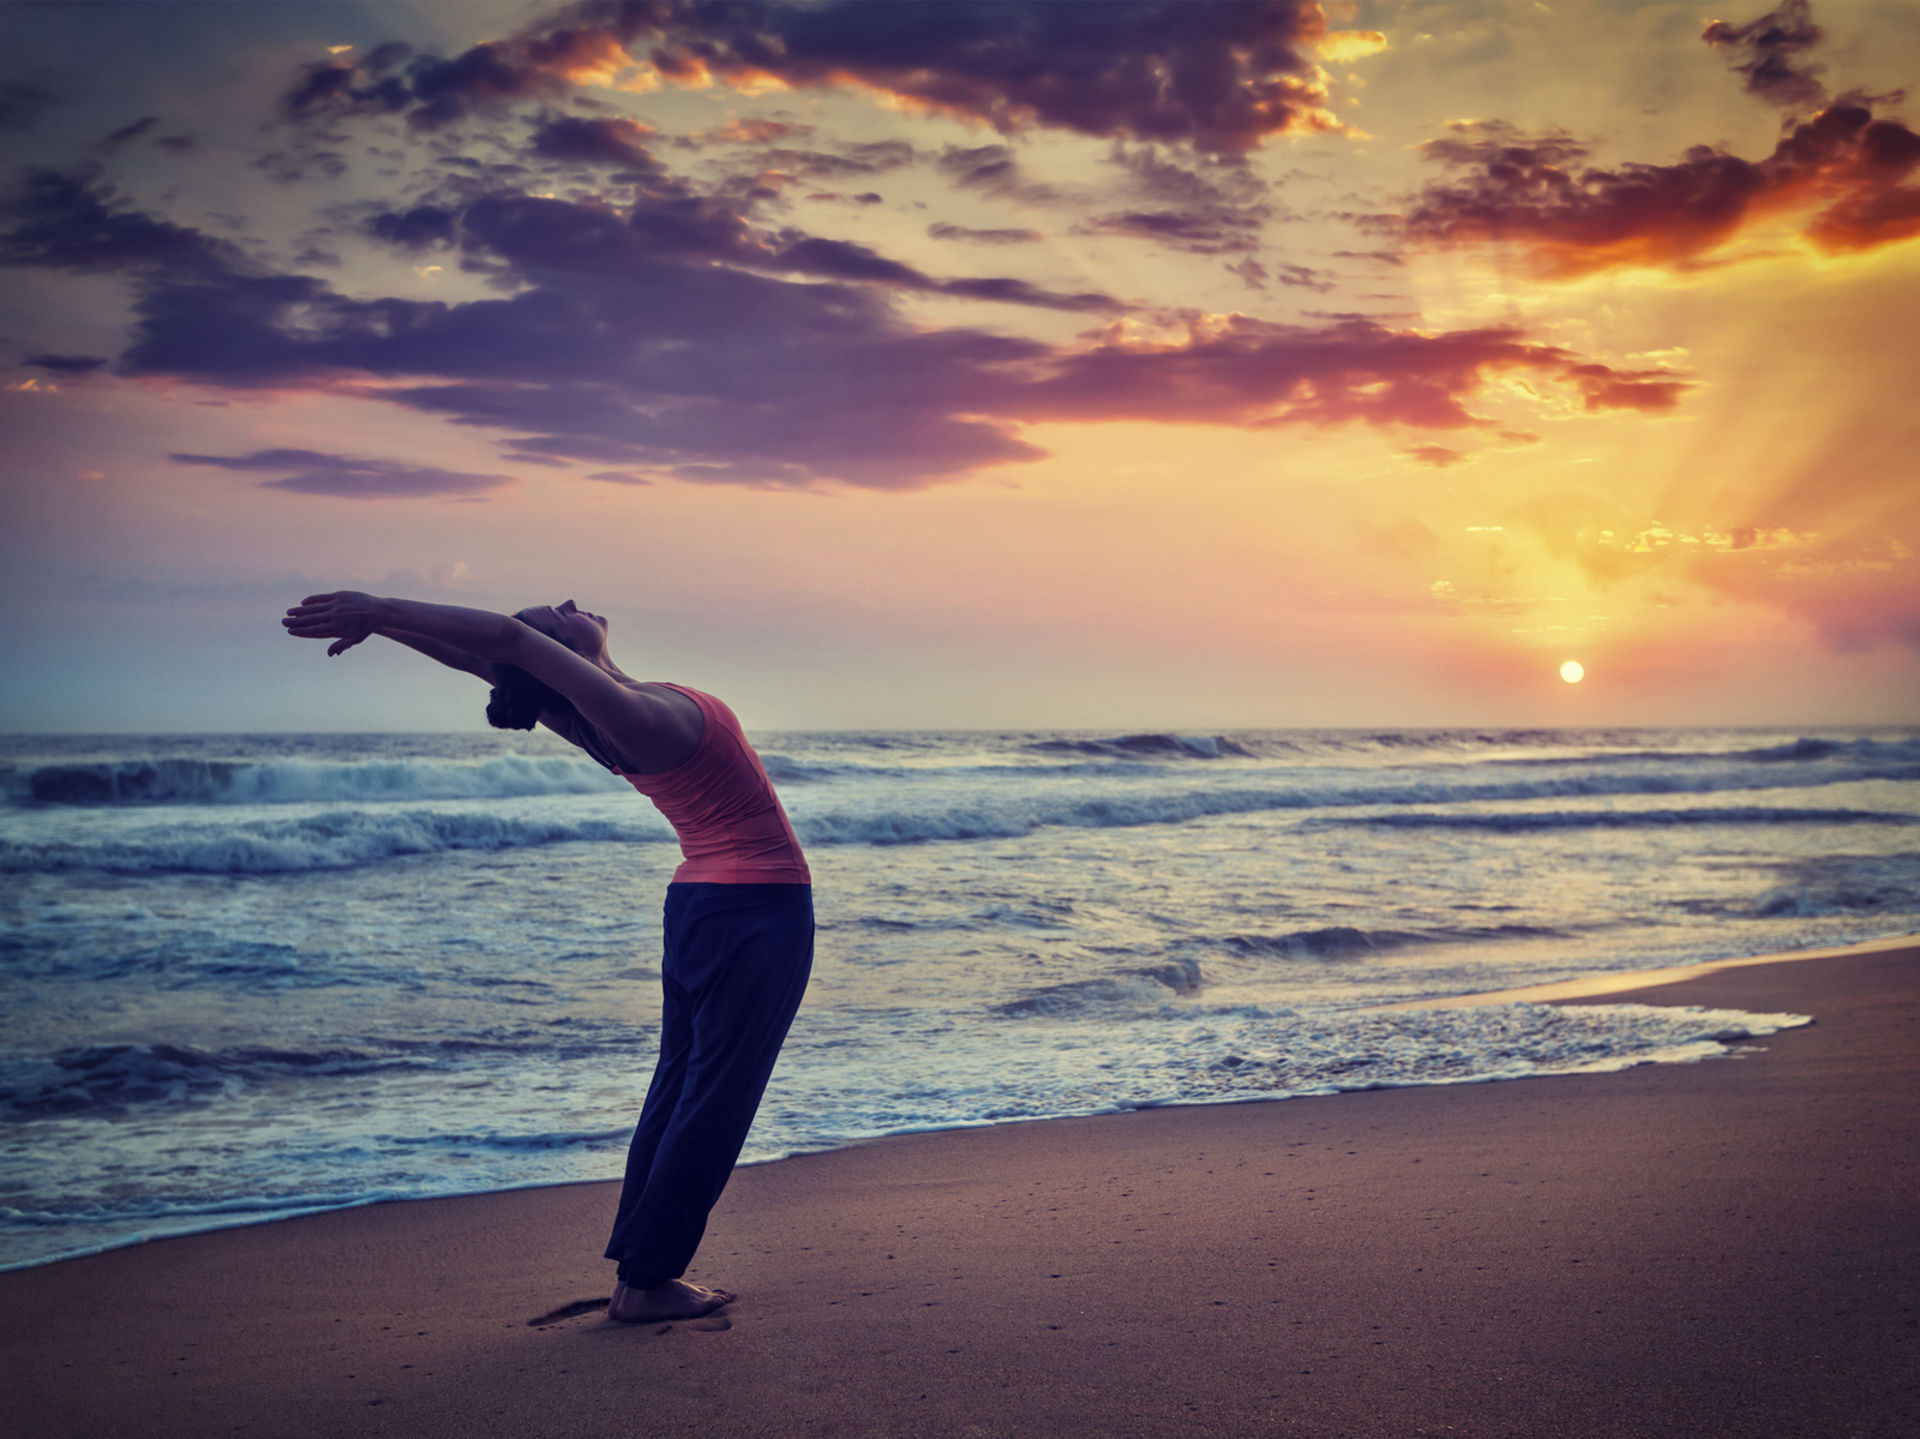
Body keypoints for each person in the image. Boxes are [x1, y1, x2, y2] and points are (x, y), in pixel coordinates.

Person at [282, 591, 813, 1323]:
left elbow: (489, 657)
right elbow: (507, 643)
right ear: (560, 651)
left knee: (679, 1091)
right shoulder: (634, 717)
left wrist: (388, 627)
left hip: (701, 908)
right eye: (553, 612)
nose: (568, 598)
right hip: (756, 912)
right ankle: (649, 1279)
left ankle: (641, 1268)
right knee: (712, 1101)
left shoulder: (599, 710)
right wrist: (379, 604)